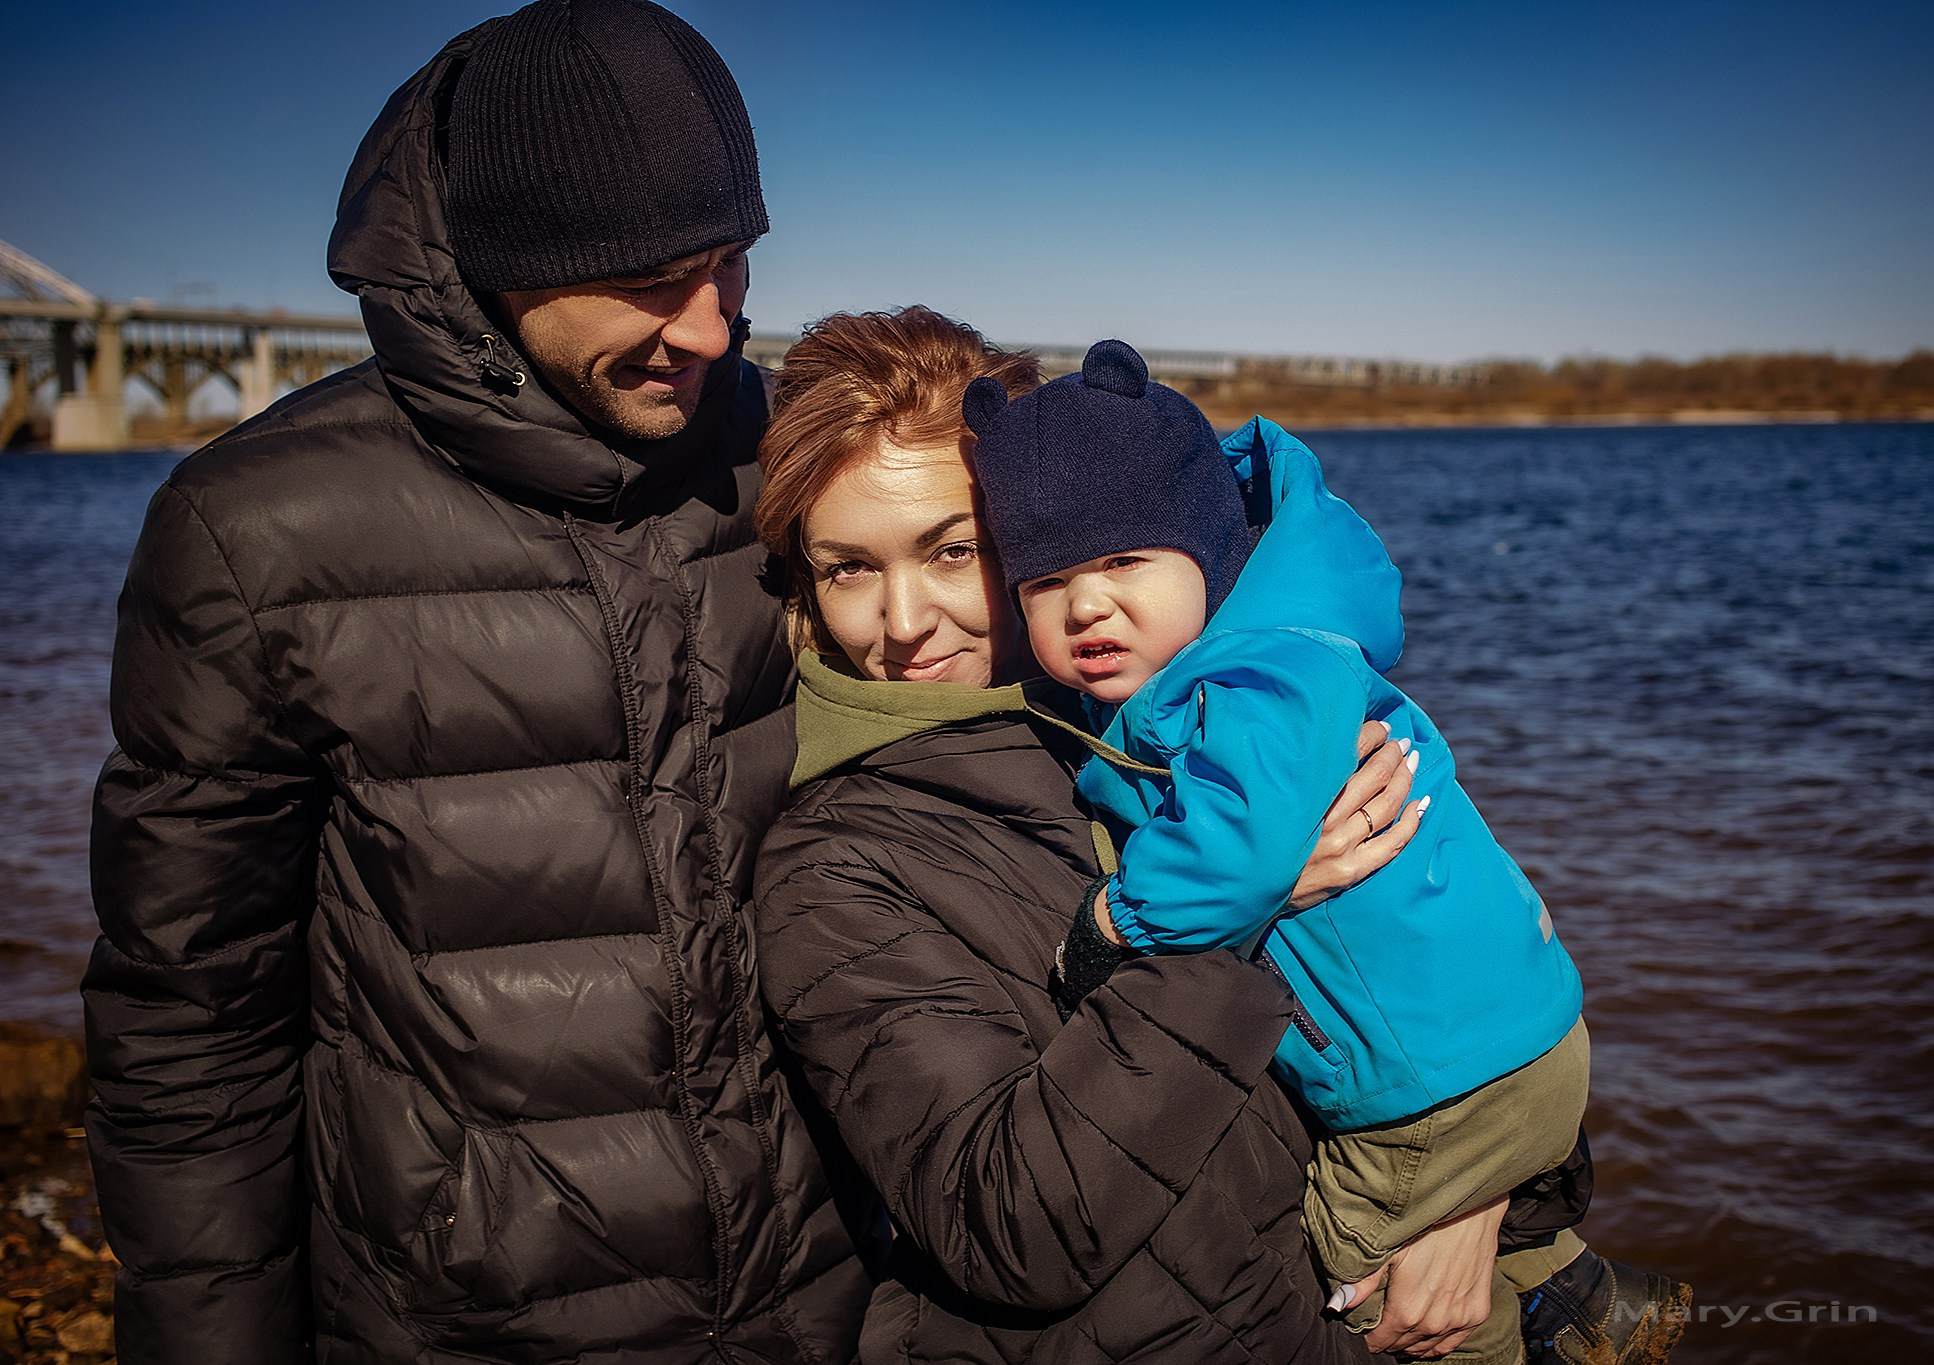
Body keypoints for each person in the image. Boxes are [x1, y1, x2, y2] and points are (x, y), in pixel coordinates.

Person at [81, 2, 868, 1360]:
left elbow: (1064, 656)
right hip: (479, 1323)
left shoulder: (793, 452)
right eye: (650, 276)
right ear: (504, 264)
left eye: (733, 263)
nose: (712, 326)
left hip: (837, 1296)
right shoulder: (256, 533)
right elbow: (190, 1021)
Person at [748, 306, 1598, 1363]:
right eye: (846, 569)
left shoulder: (1155, 730)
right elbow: (1004, 1226)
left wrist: (1486, 1198)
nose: (905, 619)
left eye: (954, 549)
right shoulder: (835, 865)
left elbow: (1445, 1005)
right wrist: (1243, 912)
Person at [962, 339, 1693, 1364]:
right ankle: (1573, 1295)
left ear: (1210, 552)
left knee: (1350, 1276)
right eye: (1046, 580)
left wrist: (1110, 924)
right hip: (1492, 1035)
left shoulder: (1255, 680)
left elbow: (1246, 853)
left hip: (1440, 1073)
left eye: (1125, 561)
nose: (1086, 605)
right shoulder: (1253, 649)